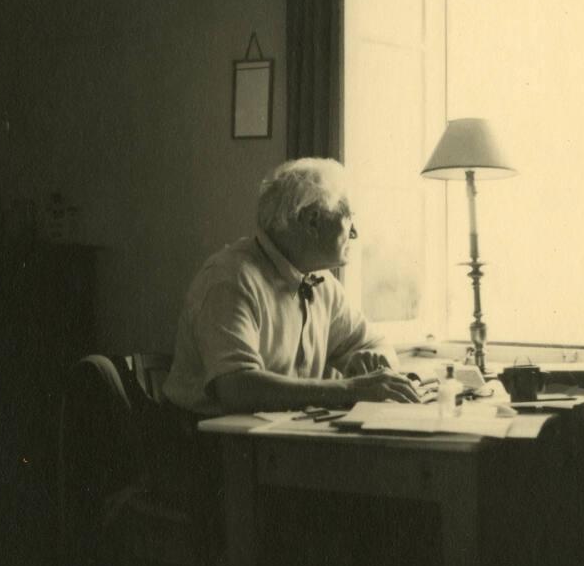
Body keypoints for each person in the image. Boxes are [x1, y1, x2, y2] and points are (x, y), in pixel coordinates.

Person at [164, 157, 420, 414]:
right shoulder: (230, 278)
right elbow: (237, 388)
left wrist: (371, 360)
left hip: (277, 440)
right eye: (348, 218)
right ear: (312, 222)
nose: (355, 233)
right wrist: (350, 388)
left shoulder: (323, 284)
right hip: (208, 443)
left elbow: (377, 345)